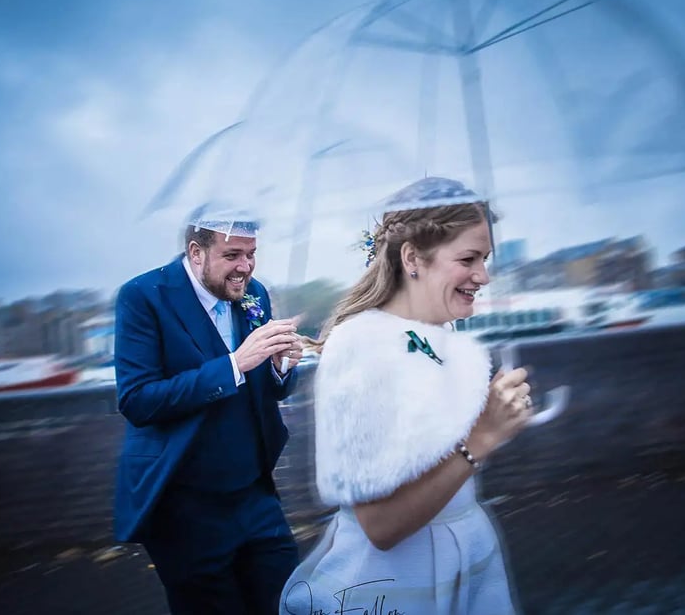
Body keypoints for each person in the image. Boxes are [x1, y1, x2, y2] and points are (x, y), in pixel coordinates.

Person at [281, 177, 534, 615]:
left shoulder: (445, 342)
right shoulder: (362, 347)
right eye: (469, 259)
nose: (483, 276)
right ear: (413, 258)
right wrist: (483, 438)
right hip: (399, 583)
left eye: (485, 259)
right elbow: (380, 526)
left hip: (463, 564)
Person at [113, 204, 305, 614]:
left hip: (255, 496)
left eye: (251, 254)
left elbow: (268, 389)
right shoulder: (143, 296)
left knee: (288, 602)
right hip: (183, 506)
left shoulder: (254, 293)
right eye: (232, 255)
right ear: (196, 252)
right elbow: (137, 400)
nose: (245, 267)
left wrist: (280, 367)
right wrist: (235, 364)